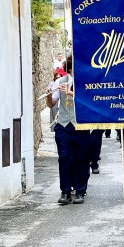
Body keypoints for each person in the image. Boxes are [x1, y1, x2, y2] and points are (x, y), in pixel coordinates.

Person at [45, 54, 92, 204]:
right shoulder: (60, 81)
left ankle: (80, 191)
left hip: (80, 125)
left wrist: (71, 92)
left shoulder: (86, 83)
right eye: (72, 68)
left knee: (81, 159)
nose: (74, 70)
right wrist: (49, 94)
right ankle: (65, 191)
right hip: (63, 125)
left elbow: (89, 102)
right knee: (64, 157)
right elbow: (51, 104)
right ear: (69, 68)